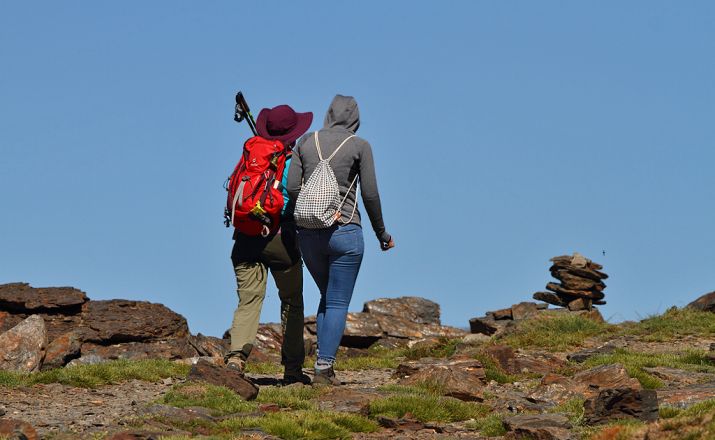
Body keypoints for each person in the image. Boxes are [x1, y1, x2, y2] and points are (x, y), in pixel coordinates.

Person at [287, 95, 394, 385]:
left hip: (308, 234)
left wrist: (314, 211)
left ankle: (322, 364)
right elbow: (370, 194)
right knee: (336, 301)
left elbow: (292, 185)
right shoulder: (360, 146)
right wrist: (381, 233)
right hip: (345, 230)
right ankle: (324, 367)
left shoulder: (306, 142)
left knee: (326, 297)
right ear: (355, 118)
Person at [226, 104, 313, 385]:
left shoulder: (251, 156)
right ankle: (292, 369)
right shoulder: (291, 161)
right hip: (280, 240)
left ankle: (237, 358)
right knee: (291, 302)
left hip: (245, 238)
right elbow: (295, 201)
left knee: (248, 301)